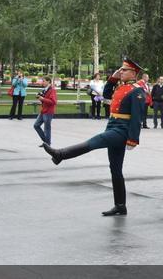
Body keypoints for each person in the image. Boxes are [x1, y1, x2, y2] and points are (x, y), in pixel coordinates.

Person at [42, 58, 146, 216]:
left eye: (124, 70)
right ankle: (120, 205)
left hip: (122, 130)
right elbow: (105, 94)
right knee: (115, 169)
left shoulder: (137, 90)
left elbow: (138, 117)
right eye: (121, 70)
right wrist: (113, 78)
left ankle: (61, 154)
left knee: (95, 142)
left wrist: (133, 139)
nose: (121, 72)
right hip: (112, 124)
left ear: (133, 73)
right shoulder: (120, 87)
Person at [33, 76, 57, 147]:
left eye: (43, 81)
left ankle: (47, 143)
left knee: (47, 128)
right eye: (42, 81)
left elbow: (53, 102)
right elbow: (44, 99)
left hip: (48, 112)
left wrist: (42, 99)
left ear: (48, 81)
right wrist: (39, 97)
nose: (42, 82)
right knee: (36, 125)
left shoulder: (52, 90)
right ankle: (46, 142)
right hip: (43, 111)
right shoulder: (45, 89)